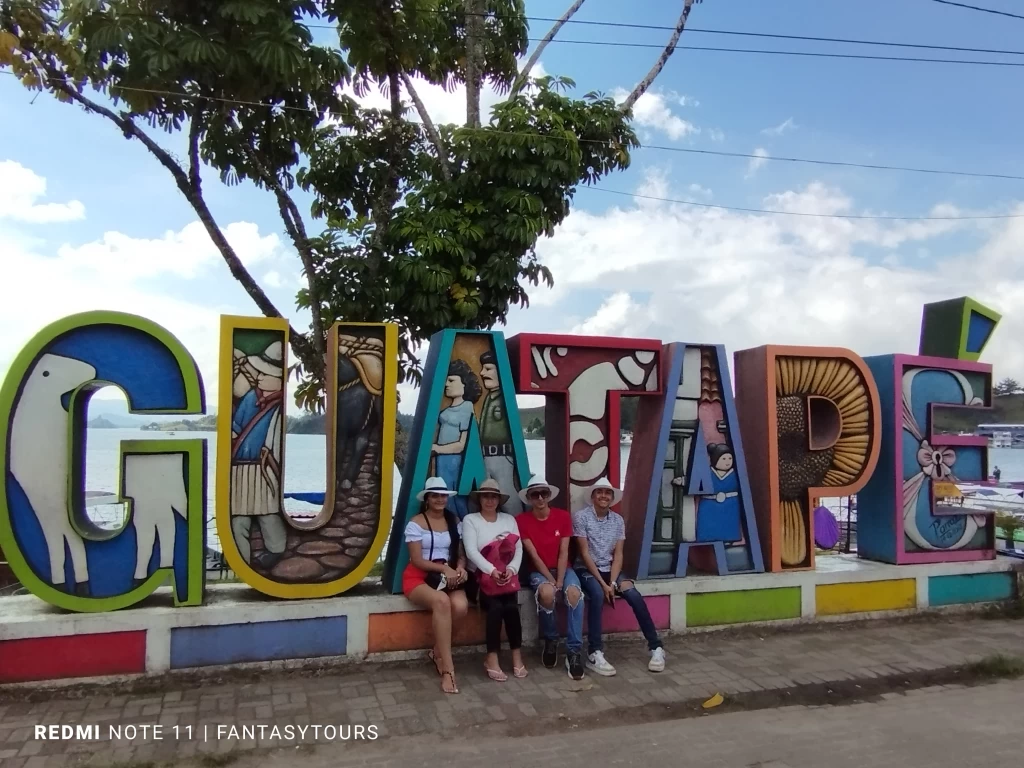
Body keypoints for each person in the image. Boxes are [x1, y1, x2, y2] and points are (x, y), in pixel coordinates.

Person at [573, 477, 666, 676]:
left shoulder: (617, 520)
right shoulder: (581, 517)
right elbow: (584, 553)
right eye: (599, 492)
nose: (603, 496)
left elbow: (619, 555)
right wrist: (604, 585)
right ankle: (594, 652)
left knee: (633, 595)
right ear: (593, 495)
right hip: (587, 569)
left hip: (610, 570)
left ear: (612, 498)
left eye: (607, 493)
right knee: (597, 595)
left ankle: (656, 647)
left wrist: (613, 582)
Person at [402, 477, 470, 695]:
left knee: (460, 606)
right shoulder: (416, 523)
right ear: (427, 499)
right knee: (442, 602)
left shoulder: (454, 521)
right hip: (419, 577)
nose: (440, 499)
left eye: (443, 495)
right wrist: (444, 569)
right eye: (435, 496)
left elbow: (460, 554)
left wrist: (460, 568)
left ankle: (437, 651)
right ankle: (448, 670)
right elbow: (416, 560)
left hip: (447, 577)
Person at [516, 475, 586, 680]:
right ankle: (551, 640)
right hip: (539, 570)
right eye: (535, 494)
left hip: (564, 568)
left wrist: (561, 580)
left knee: (574, 593)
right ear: (529, 498)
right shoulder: (522, 521)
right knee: (547, 594)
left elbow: (564, 552)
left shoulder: (563, 517)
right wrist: (552, 581)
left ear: (549, 496)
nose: (540, 498)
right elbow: (534, 556)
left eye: (543, 494)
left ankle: (574, 651)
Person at [461, 479, 526, 682]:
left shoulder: (509, 520)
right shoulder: (470, 520)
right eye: (486, 496)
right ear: (480, 499)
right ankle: (492, 657)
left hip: (507, 576)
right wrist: (491, 570)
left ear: (499, 500)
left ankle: (516, 655)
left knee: (512, 608)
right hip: (480, 577)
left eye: (493, 496)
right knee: (496, 608)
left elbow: (519, 547)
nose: (490, 500)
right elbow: (471, 551)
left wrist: (511, 569)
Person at [229, 341, 287, 569]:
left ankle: (276, 549)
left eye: (266, 373)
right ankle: (242, 563)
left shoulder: (280, 407)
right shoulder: (250, 398)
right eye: (259, 371)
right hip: (240, 468)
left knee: (268, 512)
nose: (260, 377)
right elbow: (236, 427)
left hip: (264, 467)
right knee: (239, 519)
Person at [432, 360, 483, 518]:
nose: (446, 384)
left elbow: (462, 444)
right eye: (446, 380)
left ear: (464, 384)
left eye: (451, 380)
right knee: (444, 497)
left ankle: (462, 529)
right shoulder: (446, 409)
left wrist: (437, 448)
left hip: (455, 461)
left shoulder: (467, 407)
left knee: (456, 498)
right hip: (441, 460)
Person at [478, 350, 524, 515]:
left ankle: (517, 530)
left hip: (503, 457)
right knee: (484, 496)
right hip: (485, 458)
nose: (482, 373)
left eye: (488, 368)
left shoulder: (505, 401)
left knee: (507, 496)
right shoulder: (489, 399)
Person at [697, 443, 742, 543]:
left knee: (728, 527)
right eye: (724, 459)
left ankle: (729, 540)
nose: (727, 462)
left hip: (730, 505)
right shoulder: (708, 473)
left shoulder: (736, 473)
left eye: (729, 458)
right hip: (710, 505)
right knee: (708, 528)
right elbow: (697, 482)